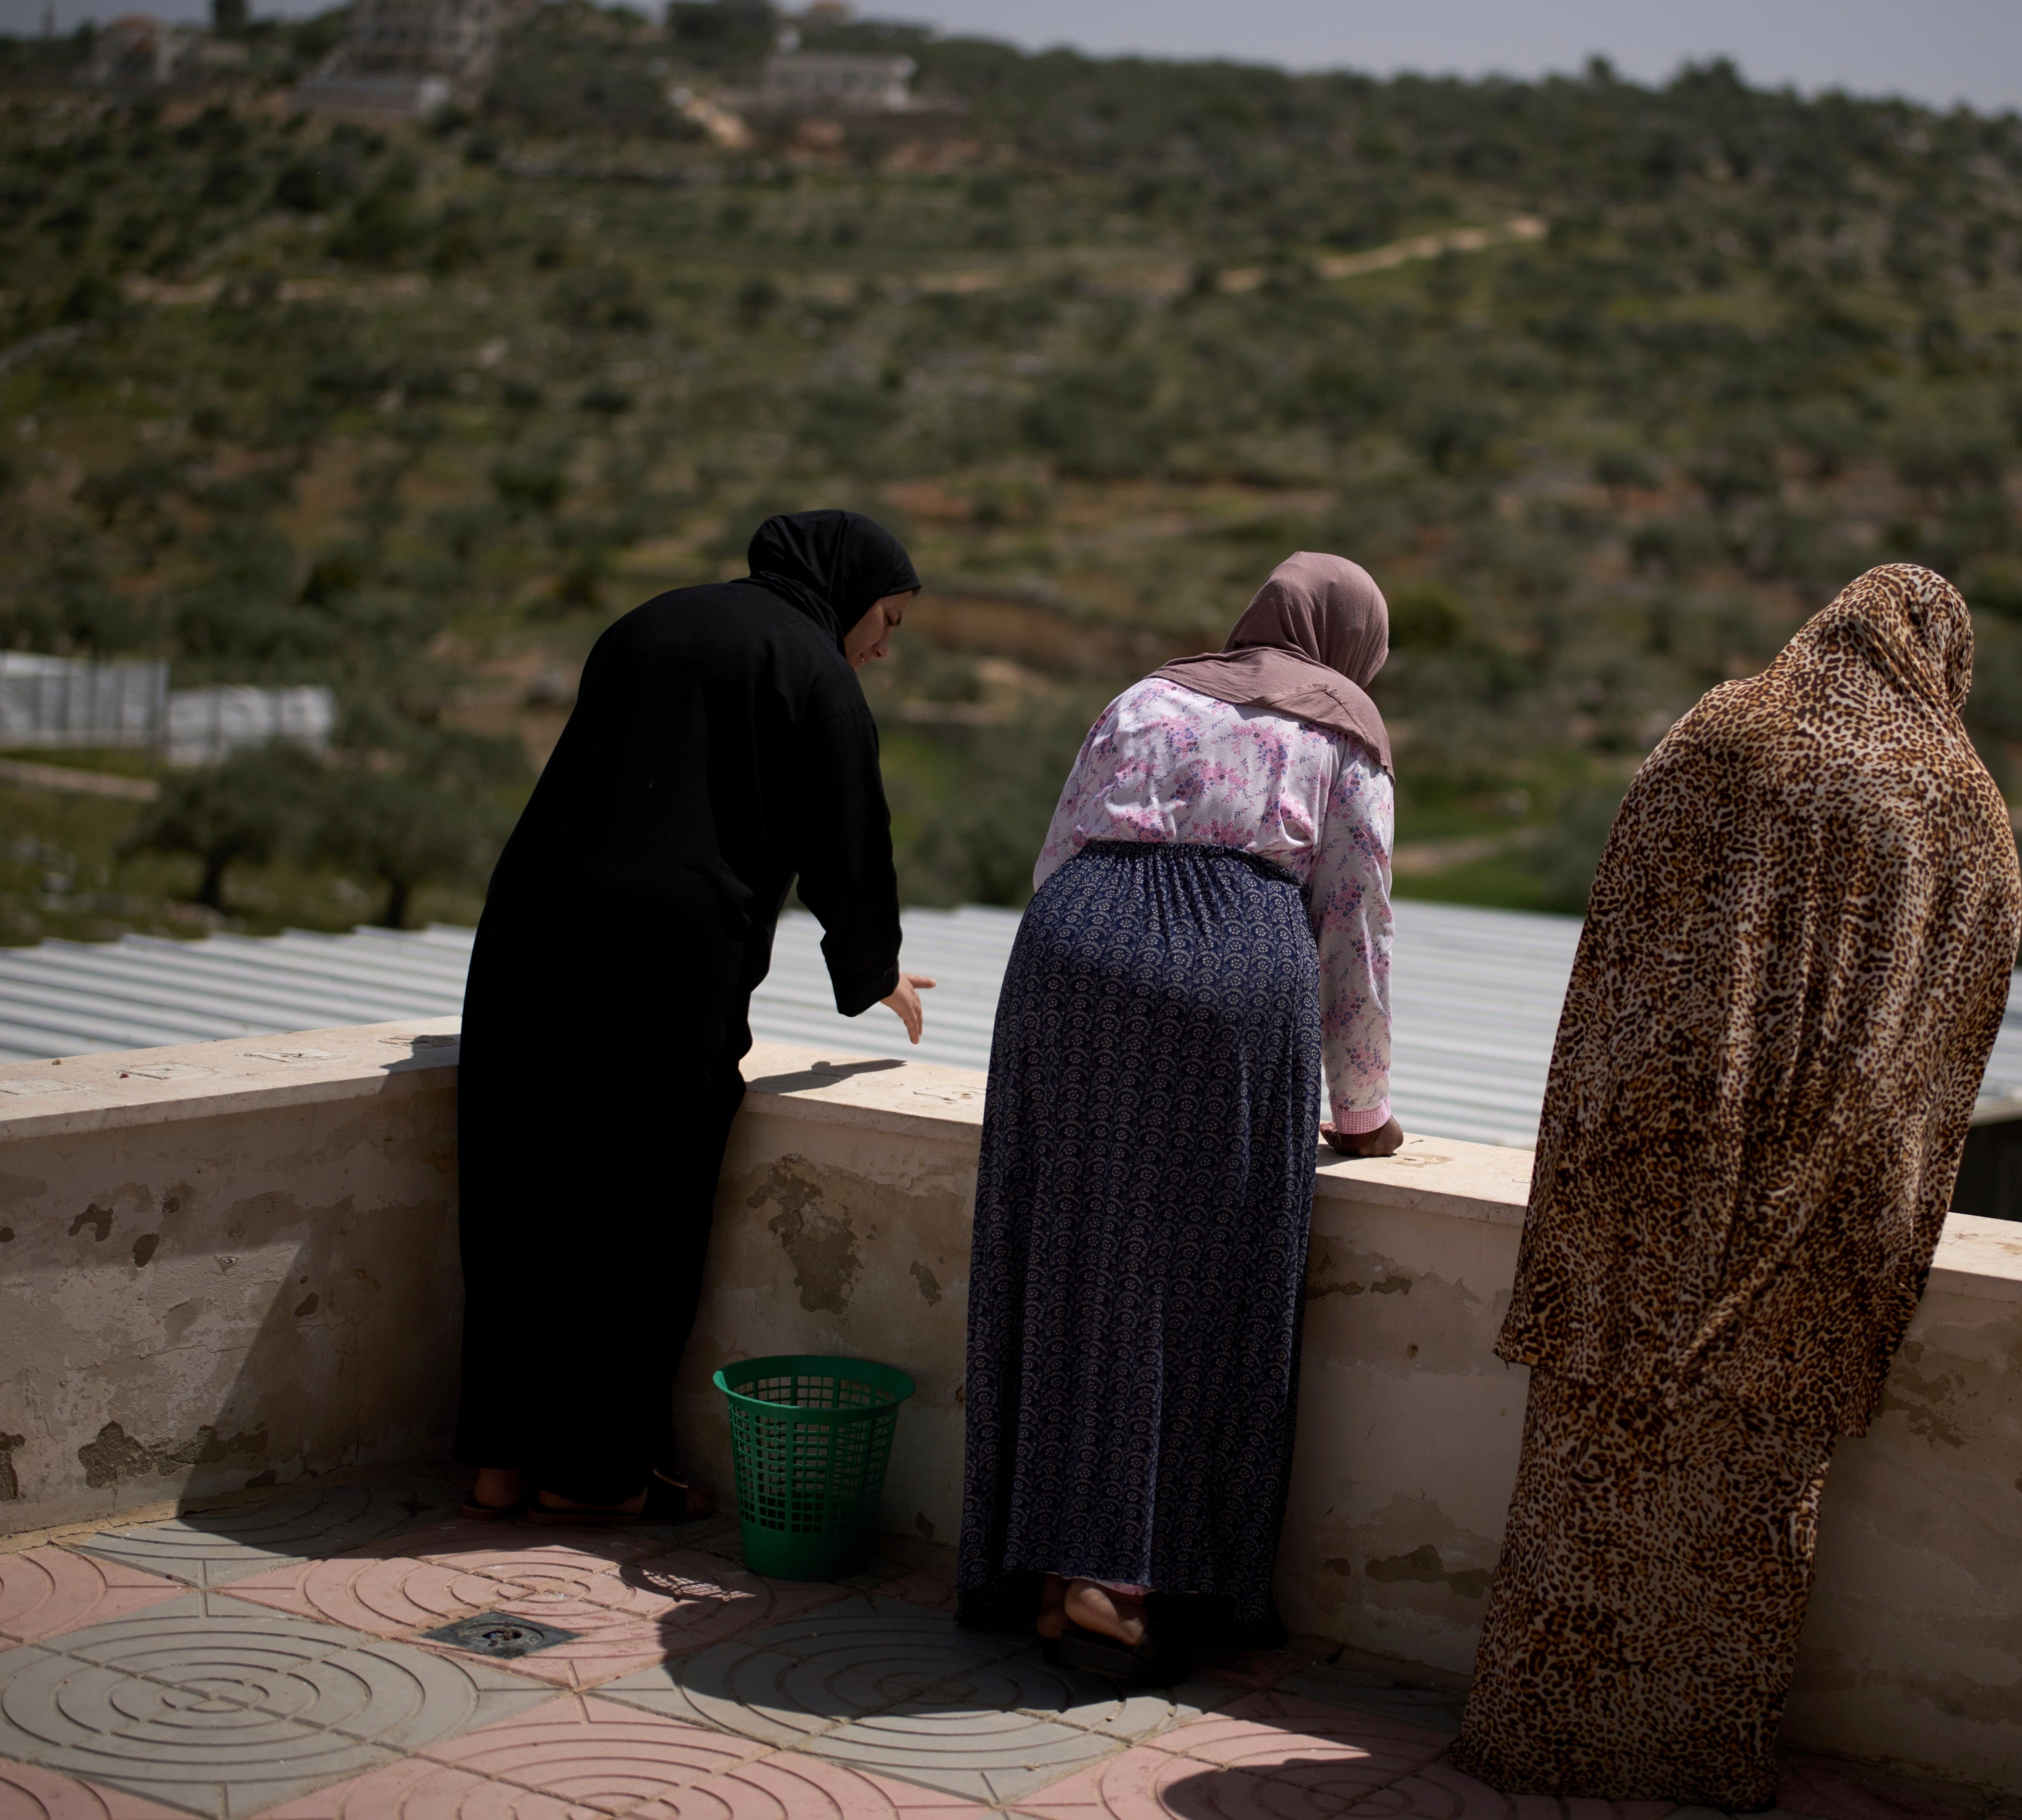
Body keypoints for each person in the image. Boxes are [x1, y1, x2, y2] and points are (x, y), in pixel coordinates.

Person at [1448, 564, 2022, 1808]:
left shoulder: (1721, 730)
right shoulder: (1968, 814)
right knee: (1746, 1508)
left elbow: (1611, 953)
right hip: (1816, 1224)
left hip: (1646, 1184)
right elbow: (1944, 1057)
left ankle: (1533, 1730)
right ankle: (1702, 1753)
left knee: (1592, 1461)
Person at [958, 551, 1402, 1679]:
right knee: (1188, 1280)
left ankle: (1041, 1568)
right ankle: (1121, 1582)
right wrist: (1363, 1112)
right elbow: (1352, 927)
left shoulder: (1148, 693)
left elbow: (1060, 849)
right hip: (1217, 973)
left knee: (1063, 1253)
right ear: (1355, 640)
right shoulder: (1345, 731)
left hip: (1068, 953)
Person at [455, 511, 933, 1525]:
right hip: (662, 963)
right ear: (849, 594)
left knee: (520, 1190)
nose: (883, 645)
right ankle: (595, 1473)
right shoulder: (812, 668)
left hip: (527, 932)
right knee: (639, 1210)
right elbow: (847, 842)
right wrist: (875, 968)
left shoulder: (648, 622)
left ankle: (499, 1457)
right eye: (886, 619)